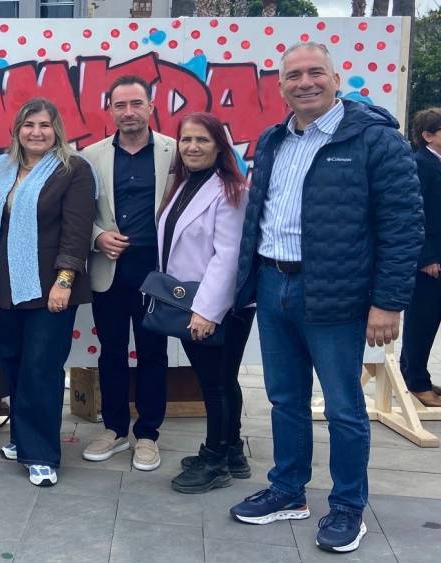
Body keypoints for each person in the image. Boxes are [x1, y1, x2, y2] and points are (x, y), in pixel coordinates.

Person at [230, 42, 423, 553]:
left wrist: (388, 302)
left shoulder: (375, 140)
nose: (305, 83)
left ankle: (347, 506)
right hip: (274, 284)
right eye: (293, 76)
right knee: (284, 399)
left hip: (337, 293)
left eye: (316, 72)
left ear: (336, 79)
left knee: (343, 406)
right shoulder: (273, 140)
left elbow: (403, 225)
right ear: (281, 87)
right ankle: (288, 490)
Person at [0, 98, 96, 487]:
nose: (36, 132)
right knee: (13, 362)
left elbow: (77, 231)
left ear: (56, 130)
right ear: (17, 130)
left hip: (50, 287)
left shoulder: (73, 169)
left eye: (45, 125)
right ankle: (21, 437)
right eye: (29, 125)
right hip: (6, 285)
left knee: (41, 369)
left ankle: (42, 454)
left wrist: (64, 282)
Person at [79, 75, 177, 471]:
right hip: (110, 272)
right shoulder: (91, 155)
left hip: (156, 273)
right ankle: (115, 429)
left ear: (151, 107)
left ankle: (148, 434)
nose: (129, 112)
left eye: (136, 103)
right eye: (120, 105)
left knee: (154, 353)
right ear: (110, 110)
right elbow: (76, 211)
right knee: (112, 352)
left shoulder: (174, 151)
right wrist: (97, 236)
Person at [152, 112, 253, 494]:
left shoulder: (231, 190)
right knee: (221, 380)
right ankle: (232, 451)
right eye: (186, 140)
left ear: (219, 147)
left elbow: (228, 257)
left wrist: (207, 312)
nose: (192, 147)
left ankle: (215, 460)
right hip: (191, 302)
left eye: (202, 140)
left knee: (216, 384)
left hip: (216, 307)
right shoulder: (185, 184)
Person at [400, 107, 441, 407]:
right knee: (422, 321)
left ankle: (416, 374)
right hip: (428, 261)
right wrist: (425, 257)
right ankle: (415, 382)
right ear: (428, 135)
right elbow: (414, 214)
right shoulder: (421, 165)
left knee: (431, 320)